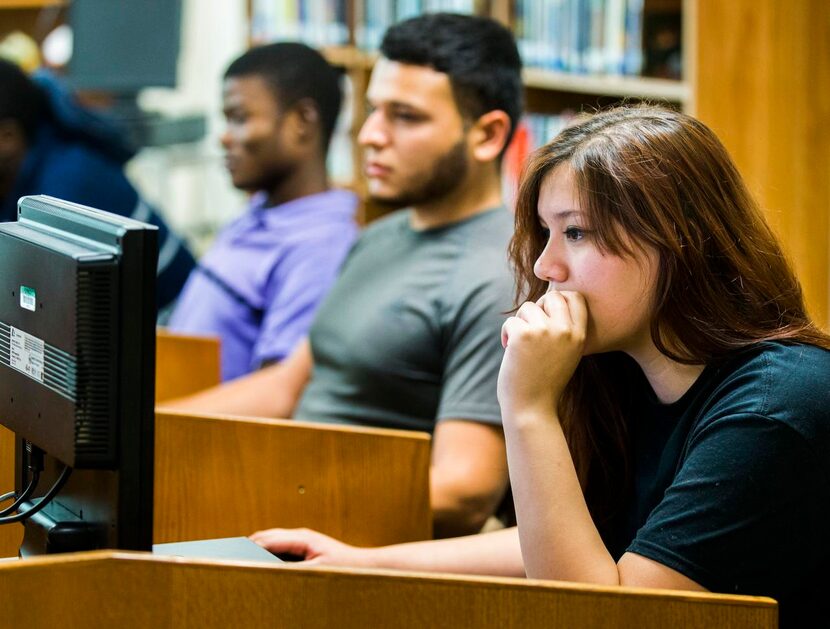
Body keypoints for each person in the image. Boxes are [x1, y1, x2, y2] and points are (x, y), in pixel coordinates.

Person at [250, 105, 830, 628]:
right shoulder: (626, 372)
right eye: (547, 234)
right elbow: (565, 545)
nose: (548, 266)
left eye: (575, 232)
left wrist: (527, 407)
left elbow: (605, 615)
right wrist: (358, 563)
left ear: (676, 241)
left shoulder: (777, 405)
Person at [165, 13, 524, 538]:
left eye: (405, 117)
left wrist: (265, 500)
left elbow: (462, 491)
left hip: (346, 546)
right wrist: (137, 429)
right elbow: (289, 385)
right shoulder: (381, 234)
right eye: (374, 109)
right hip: (293, 508)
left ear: (488, 135)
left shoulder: (498, 277)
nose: (369, 135)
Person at [167, 43, 359, 381]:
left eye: (240, 118)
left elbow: (274, 401)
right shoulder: (261, 209)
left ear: (303, 121)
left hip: (203, 429)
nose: (225, 138)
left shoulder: (320, 247)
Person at [0, 58, 195, 312]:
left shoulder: (64, 188)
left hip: (171, 321)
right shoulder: (22, 168)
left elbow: (37, 307)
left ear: (7, 137)